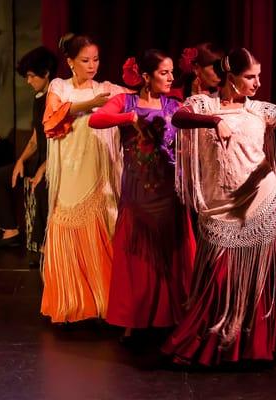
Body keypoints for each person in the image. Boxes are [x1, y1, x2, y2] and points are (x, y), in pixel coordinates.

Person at [162, 48, 276, 366]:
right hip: (220, 204)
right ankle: (214, 342)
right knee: (219, 279)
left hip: (262, 198)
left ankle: (257, 345)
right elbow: (179, 118)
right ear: (230, 77)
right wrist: (213, 122)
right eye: (250, 77)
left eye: (259, 76)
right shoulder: (202, 104)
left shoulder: (260, 109)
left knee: (262, 279)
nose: (257, 83)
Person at [88, 50, 195, 343]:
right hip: (138, 193)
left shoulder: (175, 105)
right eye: (164, 72)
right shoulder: (127, 102)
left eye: (172, 72)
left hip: (169, 191)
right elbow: (96, 120)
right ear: (146, 77)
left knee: (171, 257)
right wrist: (129, 117)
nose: (171, 78)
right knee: (136, 258)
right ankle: (133, 319)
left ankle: (171, 316)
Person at [41, 34, 128, 323]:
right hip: (70, 169)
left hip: (97, 169)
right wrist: (89, 103)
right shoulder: (59, 86)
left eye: (96, 60)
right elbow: (51, 120)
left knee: (103, 224)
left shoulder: (107, 89)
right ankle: (71, 301)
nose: (92, 66)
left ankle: (103, 302)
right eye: (85, 61)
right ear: (70, 62)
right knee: (66, 223)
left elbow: (138, 99)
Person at [0, 47, 57, 257]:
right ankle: (9, 231)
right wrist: (21, 160)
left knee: (41, 186)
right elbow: (35, 136)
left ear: (46, 73)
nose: (29, 81)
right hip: (38, 159)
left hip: (55, 161)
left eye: (32, 76)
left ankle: (42, 244)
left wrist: (44, 166)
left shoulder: (57, 97)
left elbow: (60, 139)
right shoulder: (38, 98)